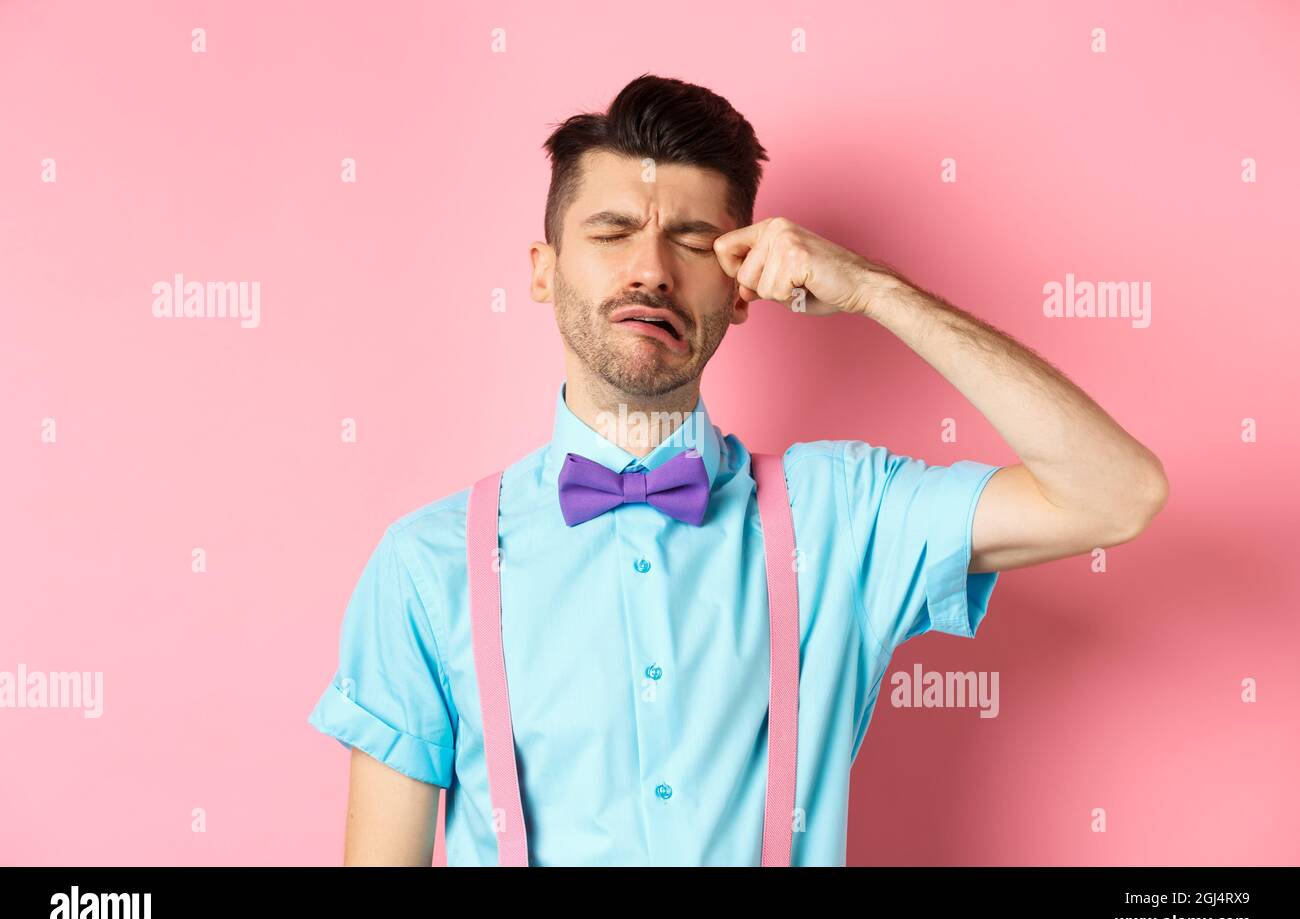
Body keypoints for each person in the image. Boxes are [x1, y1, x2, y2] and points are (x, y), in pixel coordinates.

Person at [307, 73, 1168, 866]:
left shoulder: (843, 514)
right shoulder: (426, 565)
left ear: (742, 290)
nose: (650, 269)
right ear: (544, 270)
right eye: (611, 233)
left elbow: (1115, 495)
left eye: (693, 242)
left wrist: (875, 291)